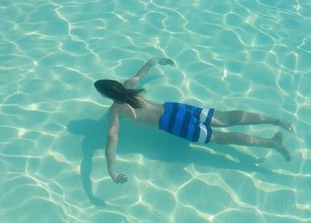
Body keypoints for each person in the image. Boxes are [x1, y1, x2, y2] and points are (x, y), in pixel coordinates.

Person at [94, 57, 293, 184]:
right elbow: (144, 69)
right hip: (177, 109)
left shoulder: (115, 111)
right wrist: (158, 61)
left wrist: (111, 170)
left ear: (106, 96)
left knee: (220, 138)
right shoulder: (129, 86)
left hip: (174, 125)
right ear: (117, 86)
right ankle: (276, 121)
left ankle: (272, 144)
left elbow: (112, 136)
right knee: (226, 118)